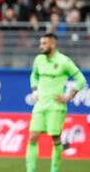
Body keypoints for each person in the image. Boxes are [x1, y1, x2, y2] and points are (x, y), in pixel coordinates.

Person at [26, 33, 87, 172]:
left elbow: (81, 80)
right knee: (33, 136)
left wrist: (68, 97)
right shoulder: (39, 60)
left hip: (56, 106)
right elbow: (34, 75)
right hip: (40, 105)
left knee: (55, 138)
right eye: (41, 43)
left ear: (53, 44)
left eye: (44, 43)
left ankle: (55, 169)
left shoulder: (64, 61)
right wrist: (35, 90)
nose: (41, 46)